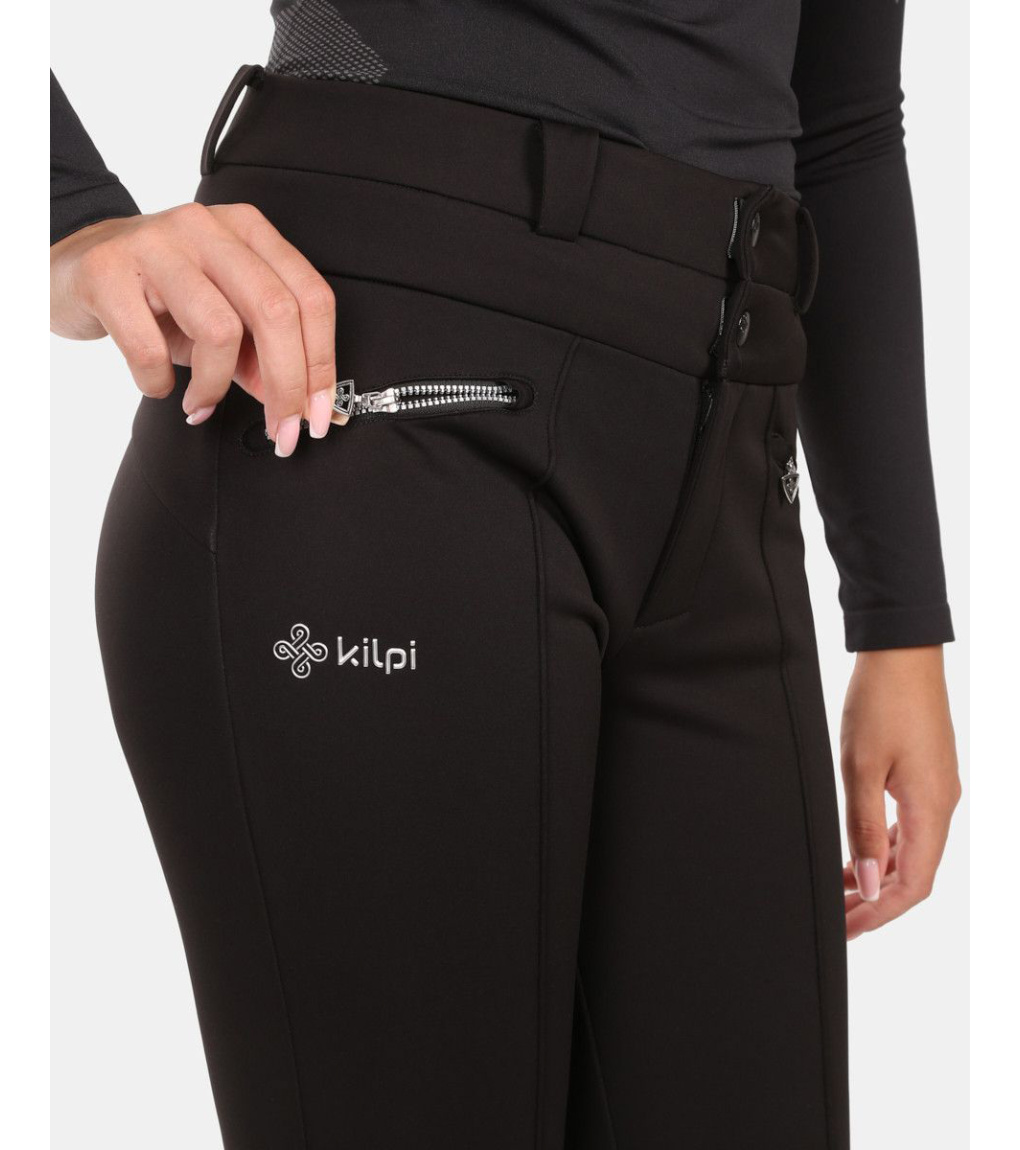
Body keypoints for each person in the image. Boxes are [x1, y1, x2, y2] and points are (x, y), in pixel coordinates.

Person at [50, 2, 961, 1147]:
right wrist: (67, 216)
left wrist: (899, 618)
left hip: (727, 443)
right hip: (371, 386)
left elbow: (845, 122)